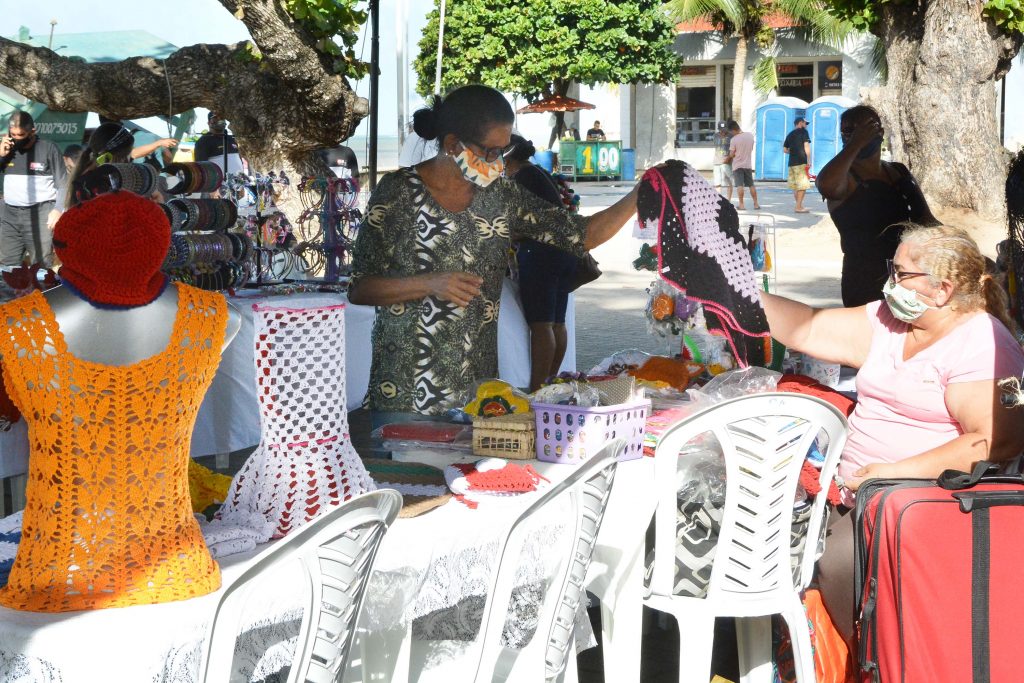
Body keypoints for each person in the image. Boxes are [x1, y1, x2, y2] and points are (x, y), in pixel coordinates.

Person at [761, 223, 1024, 649]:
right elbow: (807, 328)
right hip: (861, 493)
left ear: (942, 290)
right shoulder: (890, 322)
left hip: (923, 500)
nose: (890, 283)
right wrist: (735, 292)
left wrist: (894, 472)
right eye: (893, 270)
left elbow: (994, 441)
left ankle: (877, 659)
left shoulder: (981, 341)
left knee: (836, 560)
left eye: (901, 274)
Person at [348, 85, 640, 424]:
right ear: (452, 144)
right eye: (490, 152)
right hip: (404, 391)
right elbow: (360, 288)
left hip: (478, 393)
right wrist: (431, 283)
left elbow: (581, 234)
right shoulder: (397, 192)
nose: (498, 162)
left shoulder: (501, 196)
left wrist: (638, 194)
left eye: (504, 150)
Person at [816, 104, 938, 307]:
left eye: (866, 127)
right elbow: (826, 185)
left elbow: (926, 219)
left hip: (907, 272)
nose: (858, 134)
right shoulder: (844, 178)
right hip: (864, 278)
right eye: (848, 130)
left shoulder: (897, 171)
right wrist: (856, 143)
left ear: (880, 132)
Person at [503, 134, 579, 391]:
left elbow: (519, 224)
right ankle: (550, 383)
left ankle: (537, 390)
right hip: (563, 253)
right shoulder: (538, 173)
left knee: (541, 325)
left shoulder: (521, 179)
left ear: (506, 158)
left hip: (541, 255)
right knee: (557, 323)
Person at [0, 110, 66, 268]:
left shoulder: (48, 148)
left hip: (40, 213)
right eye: (13, 134)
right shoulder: (6, 148)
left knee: (41, 266)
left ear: (32, 132)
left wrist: (58, 209)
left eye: (21, 135)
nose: (16, 138)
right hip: (10, 214)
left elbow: (63, 183)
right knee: (7, 265)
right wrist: (2, 155)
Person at [65, 121, 137, 209]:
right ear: (119, 158)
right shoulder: (100, 185)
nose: (128, 162)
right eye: (127, 156)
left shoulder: (84, 179)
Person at [725, 120, 759, 210]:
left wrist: (728, 158)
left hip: (737, 166)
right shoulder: (750, 135)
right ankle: (756, 204)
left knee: (740, 185)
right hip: (748, 164)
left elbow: (731, 154)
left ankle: (741, 205)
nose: (731, 134)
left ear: (733, 130)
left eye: (731, 132)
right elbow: (751, 148)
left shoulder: (734, 140)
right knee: (751, 185)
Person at [782, 116, 811, 213]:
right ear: (800, 123)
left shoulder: (790, 134)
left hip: (791, 164)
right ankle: (798, 207)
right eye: (805, 123)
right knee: (803, 186)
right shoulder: (804, 132)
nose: (806, 125)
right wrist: (809, 161)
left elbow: (785, 150)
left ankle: (800, 206)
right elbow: (806, 146)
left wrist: (793, 152)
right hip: (801, 162)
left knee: (796, 187)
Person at [712, 122, 733, 201]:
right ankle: (719, 200)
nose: (723, 132)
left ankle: (728, 201)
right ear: (718, 129)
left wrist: (729, 158)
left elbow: (733, 149)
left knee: (729, 182)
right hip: (717, 161)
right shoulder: (715, 135)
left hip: (727, 162)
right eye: (721, 130)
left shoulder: (731, 136)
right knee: (717, 183)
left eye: (724, 130)